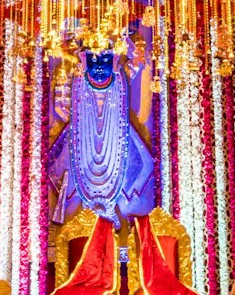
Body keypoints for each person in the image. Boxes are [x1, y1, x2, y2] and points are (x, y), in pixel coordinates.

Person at [45, 24, 157, 224]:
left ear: (114, 60)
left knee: (145, 164)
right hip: (81, 139)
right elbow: (61, 109)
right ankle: (81, 211)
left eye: (105, 59)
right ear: (83, 59)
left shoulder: (121, 76)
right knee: (57, 165)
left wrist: (123, 36)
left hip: (117, 137)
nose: (98, 66)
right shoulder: (74, 80)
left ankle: (115, 210)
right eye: (93, 58)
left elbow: (139, 59)